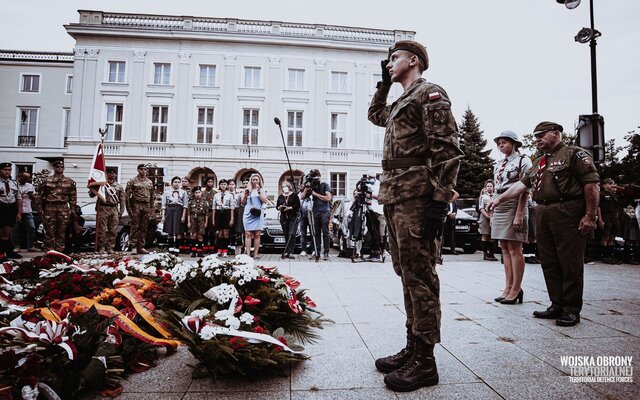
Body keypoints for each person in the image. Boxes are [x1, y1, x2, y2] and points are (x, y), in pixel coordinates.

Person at [368, 40, 463, 391]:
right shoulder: (399, 101)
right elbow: (375, 115)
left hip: (418, 196)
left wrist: (440, 200)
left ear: (413, 60)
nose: (389, 63)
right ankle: (413, 347)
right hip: (396, 194)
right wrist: (384, 83)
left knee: (420, 275)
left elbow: (447, 149)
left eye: (394, 59)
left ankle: (425, 360)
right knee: (406, 273)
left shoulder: (430, 94)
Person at [489, 121, 599, 327]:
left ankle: (571, 309)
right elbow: (522, 185)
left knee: (570, 262)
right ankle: (556, 304)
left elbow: (591, 185)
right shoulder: (540, 161)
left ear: (556, 134)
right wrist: (499, 200)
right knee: (549, 260)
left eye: (541, 135)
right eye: (536, 136)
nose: (537, 139)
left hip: (567, 210)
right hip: (544, 211)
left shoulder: (574, 154)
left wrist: (590, 216)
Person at [491, 131, 532, 304]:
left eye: (504, 142)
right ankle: (508, 287)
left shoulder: (523, 160)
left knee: (515, 248)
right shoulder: (499, 163)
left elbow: (525, 188)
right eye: (499, 143)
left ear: (514, 143)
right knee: (504, 248)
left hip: (515, 203)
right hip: (500, 203)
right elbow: (496, 187)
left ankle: (516, 288)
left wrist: (519, 214)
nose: (501, 145)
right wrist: (493, 208)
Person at [37, 160, 77, 253]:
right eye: (57, 166)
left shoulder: (69, 181)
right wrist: (40, 210)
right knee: (49, 232)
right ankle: (49, 252)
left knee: (61, 232)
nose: (59, 168)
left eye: (61, 167)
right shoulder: (46, 180)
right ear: (54, 168)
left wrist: (72, 209)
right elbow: (39, 196)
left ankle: (59, 253)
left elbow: (73, 196)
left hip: (63, 208)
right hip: (50, 207)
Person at [90, 168, 125, 254]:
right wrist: (94, 186)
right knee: (102, 229)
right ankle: (101, 247)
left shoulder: (119, 186)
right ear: (106, 174)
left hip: (114, 208)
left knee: (113, 230)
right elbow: (91, 195)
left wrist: (121, 210)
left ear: (116, 175)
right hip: (103, 207)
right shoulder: (101, 185)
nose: (112, 175)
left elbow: (122, 199)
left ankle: (110, 247)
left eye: (113, 173)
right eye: (109, 173)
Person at [300, 169, 332, 260]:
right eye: (313, 176)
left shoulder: (325, 185)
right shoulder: (312, 186)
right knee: (316, 233)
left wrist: (315, 194)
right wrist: (306, 188)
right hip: (315, 211)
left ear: (319, 176)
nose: (315, 178)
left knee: (325, 232)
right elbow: (302, 197)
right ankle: (317, 252)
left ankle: (326, 252)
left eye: (316, 176)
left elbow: (328, 198)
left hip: (324, 211)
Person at [125, 164, 155, 255]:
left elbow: (152, 196)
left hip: (146, 206)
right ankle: (133, 246)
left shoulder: (149, 182)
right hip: (136, 205)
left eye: (145, 169)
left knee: (144, 227)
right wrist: (129, 209)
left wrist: (151, 208)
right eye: (141, 169)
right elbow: (127, 196)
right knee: (134, 227)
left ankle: (141, 246)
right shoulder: (132, 181)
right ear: (138, 170)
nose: (143, 171)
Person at [241, 174, 268, 258]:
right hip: (248, 213)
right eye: (253, 180)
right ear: (251, 181)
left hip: (258, 213)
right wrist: (245, 195)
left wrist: (259, 191)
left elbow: (264, 201)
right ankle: (248, 254)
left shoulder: (262, 190)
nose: (255, 181)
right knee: (248, 233)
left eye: (256, 179)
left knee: (257, 234)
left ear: (259, 181)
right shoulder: (247, 190)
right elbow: (242, 202)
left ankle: (256, 254)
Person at [161, 176, 189, 254]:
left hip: (179, 211)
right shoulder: (167, 192)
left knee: (178, 231)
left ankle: (177, 248)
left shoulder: (183, 192)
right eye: (175, 182)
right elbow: (163, 205)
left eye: (178, 182)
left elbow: (185, 205)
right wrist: (163, 216)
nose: (177, 184)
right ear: (172, 183)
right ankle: (170, 249)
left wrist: (183, 216)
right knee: (169, 231)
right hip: (169, 211)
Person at [0, 163, 22, 259]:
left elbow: (19, 198)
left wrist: (19, 212)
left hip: (11, 208)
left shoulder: (14, 183)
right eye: (5, 170)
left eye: (9, 170)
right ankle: (2, 253)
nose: (8, 172)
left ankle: (6, 253)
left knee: (7, 232)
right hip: (1, 206)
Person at [597, 178, 621, 264]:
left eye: (612, 183)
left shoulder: (614, 195)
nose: (611, 185)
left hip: (613, 216)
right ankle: (604, 256)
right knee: (605, 235)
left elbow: (616, 207)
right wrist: (600, 219)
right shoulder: (601, 194)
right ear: (604, 185)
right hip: (605, 215)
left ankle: (610, 255)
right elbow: (598, 207)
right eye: (609, 183)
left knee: (612, 235)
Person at [11, 172, 35, 253]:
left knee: (31, 228)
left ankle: (30, 246)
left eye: (28, 178)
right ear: (19, 176)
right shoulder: (13, 184)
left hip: (27, 210)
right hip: (16, 210)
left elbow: (34, 199)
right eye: (24, 177)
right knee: (15, 229)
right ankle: (16, 246)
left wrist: (31, 194)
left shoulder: (30, 186)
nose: (26, 179)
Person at [276, 181, 301, 259]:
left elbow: (298, 205)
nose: (284, 188)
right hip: (284, 217)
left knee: (292, 234)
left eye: (286, 186)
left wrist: (290, 207)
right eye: (283, 187)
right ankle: (287, 251)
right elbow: (277, 206)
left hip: (293, 216)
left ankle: (290, 251)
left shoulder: (294, 195)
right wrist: (280, 207)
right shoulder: (280, 196)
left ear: (289, 187)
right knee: (286, 234)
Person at [212, 179, 235, 257]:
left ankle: (225, 250)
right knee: (220, 233)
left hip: (226, 213)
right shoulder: (216, 195)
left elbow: (232, 207)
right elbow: (214, 208)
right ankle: (219, 250)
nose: (223, 186)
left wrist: (232, 218)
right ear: (219, 185)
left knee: (226, 233)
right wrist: (213, 219)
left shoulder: (230, 195)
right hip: (218, 213)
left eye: (225, 184)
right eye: (221, 184)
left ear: (227, 185)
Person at [478, 180, 498, 261]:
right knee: (485, 235)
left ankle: (492, 254)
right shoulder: (483, 197)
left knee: (492, 236)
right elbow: (481, 208)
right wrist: (488, 217)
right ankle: (485, 254)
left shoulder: (495, 196)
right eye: (488, 186)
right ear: (485, 188)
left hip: (494, 217)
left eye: (491, 186)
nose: (489, 188)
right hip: (485, 217)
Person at [187, 186, 209, 257]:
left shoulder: (205, 202)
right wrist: (189, 222)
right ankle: (193, 251)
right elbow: (189, 213)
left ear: (201, 193)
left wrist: (206, 222)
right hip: (193, 219)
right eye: (196, 193)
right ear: (193, 194)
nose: (198, 194)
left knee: (200, 235)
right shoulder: (191, 202)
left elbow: (206, 213)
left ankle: (200, 251)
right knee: (193, 235)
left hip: (201, 219)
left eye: (199, 192)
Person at [202, 176, 217, 254]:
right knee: (204, 231)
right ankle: (205, 246)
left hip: (212, 213)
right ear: (205, 183)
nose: (210, 183)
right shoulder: (202, 193)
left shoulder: (215, 193)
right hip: (204, 214)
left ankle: (212, 247)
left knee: (212, 231)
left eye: (211, 182)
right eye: (208, 182)